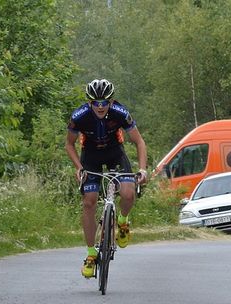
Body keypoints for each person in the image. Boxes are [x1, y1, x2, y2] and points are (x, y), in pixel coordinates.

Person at [65, 79, 147, 278]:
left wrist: (143, 170)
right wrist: (79, 168)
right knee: (89, 202)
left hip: (114, 154)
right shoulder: (79, 116)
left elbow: (139, 141)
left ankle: (123, 221)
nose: (100, 107)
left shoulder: (120, 112)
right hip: (90, 156)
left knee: (128, 193)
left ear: (111, 102)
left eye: (105, 103)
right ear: (89, 103)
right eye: (96, 103)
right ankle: (91, 255)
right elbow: (69, 144)